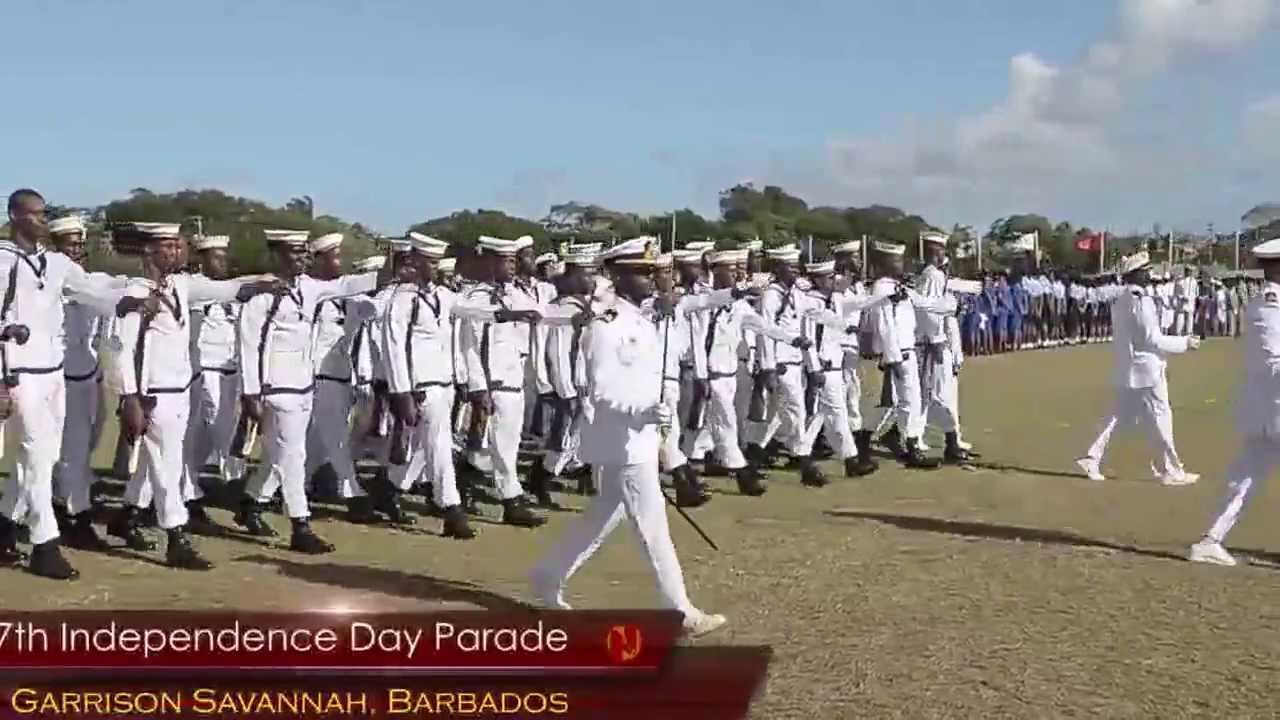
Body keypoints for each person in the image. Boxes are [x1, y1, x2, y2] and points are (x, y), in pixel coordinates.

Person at [528, 236, 727, 638]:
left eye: (652, 272)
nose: (651, 281)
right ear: (617, 276)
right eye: (641, 273)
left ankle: (547, 577)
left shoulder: (641, 318)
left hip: (638, 436)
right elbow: (599, 389)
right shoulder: (607, 325)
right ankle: (681, 611)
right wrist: (641, 412)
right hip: (621, 437)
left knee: (602, 516)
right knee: (653, 527)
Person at [110, 222, 274, 569]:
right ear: (148, 252)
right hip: (153, 394)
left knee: (157, 462)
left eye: (177, 246)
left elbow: (225, 289)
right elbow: (123, 351)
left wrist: (263, 283)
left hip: (180, 390)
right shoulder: (137, 293)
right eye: (166, 247)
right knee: (168, 466)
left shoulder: (180, 285)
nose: (176, 252)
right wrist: (130, 399)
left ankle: (126, 516)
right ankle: (175, 536)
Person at [0, 189, 130, 579]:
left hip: (52, 374)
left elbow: (95, 291)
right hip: (16, 374)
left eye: (45, 213)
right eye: (36, 214)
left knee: (39, 459)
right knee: (36, 458)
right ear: (16, 216)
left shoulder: (56, 264)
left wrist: (141, 289)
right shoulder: (3, 260)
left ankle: (11, 529)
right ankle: (44, 543)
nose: (43, 220)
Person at [235, 228, 384, 552]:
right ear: (276, 256)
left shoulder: (310, 288)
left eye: (304, 252)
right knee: (293, 453)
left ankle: (251, 502)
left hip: (303, 385)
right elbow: (249, 344)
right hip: (274, 387)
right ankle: (300, 525)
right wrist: (250, 394)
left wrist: (391, 270)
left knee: (282, 454)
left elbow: (347, 284)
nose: (301, 257)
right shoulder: (261, 293)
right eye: (294, 252)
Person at [383, 233, 494, 540]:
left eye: (437, 261)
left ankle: (389, 488)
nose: (436, 267)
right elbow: (394, 347)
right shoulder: (401, 299)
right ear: (415, 262)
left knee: (424, 446)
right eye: (430, 262)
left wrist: (507, 313)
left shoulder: (443, 296)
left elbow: (469, 310)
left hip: (444, 383)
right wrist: (400, 391)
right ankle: (451, 509)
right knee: (440, 446)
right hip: (421, 386)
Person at [1187, 240, 1280, 566]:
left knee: (1245, 478)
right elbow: (1274, 362)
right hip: (1274, 405)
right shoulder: (1270, 305)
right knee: (1245, 477)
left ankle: (1211, 540)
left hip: (1265, 408)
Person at [1075, 251, 1200, 485]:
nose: (1149, 275)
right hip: (1146, 369)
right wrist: (1184, 343)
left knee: (1118, 417)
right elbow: (1151, 338)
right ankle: (1170, 470)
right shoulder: (1139, 300)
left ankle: (1091, 457)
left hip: (1131, 367)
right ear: (1137, 274)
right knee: (1161, 417)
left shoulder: (1125, 298)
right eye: (1145, 271)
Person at [458, 236, 551, 528]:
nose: (512, 267)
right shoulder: (477, 299)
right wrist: (477, 387)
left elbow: (543, 315)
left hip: (514, 381)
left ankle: (463, 484)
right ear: (491, 262)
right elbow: (469, 346)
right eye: (506, 261)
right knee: (500, 448)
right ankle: (512, 501)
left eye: (513, 260)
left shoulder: (515, 295)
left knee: (496, 448)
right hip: (493, 384)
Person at [304, 233, 379, 521]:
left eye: (340, 255)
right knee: (334, 437)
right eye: (334, 256)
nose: (340, 261)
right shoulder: (307, 291)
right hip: (317, 375)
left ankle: (271, 491)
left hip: (341, 375)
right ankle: (354, 494)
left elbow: (372, 310)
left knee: (315, 441)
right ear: (319, 260)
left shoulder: (348, 292)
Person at [46, 216, 110, 549]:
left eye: (80, 244)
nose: (78, 250)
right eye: (71, 244)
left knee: (88, 439)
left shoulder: (89, 279)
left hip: (89, 371)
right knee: (71, 447)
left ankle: (63, 498)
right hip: (61, 375)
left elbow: (114, 291)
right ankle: (75, 514)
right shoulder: (47, 280)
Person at [865, 241, 956, 468]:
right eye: (896, 260)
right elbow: (884, 324)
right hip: (899, 354)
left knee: (904, 402)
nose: (901, 264)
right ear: (885, 263)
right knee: (908, 402)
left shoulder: (900, 287)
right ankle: (912, 447)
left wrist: (951, 305)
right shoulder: (882, 288)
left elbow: (924, 304)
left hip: (909, 351)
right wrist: (892, 357)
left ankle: (864, 437)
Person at [914, 233, 970, 463]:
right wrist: (936, 339)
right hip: (934, 344)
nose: (941, 255)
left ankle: (922, 438)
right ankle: (949, 442)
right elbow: (928, 311)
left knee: (929, 395)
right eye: (937, 250)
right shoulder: (933, 276)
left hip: (935, 342)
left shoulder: (933, 276)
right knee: (938, 394)